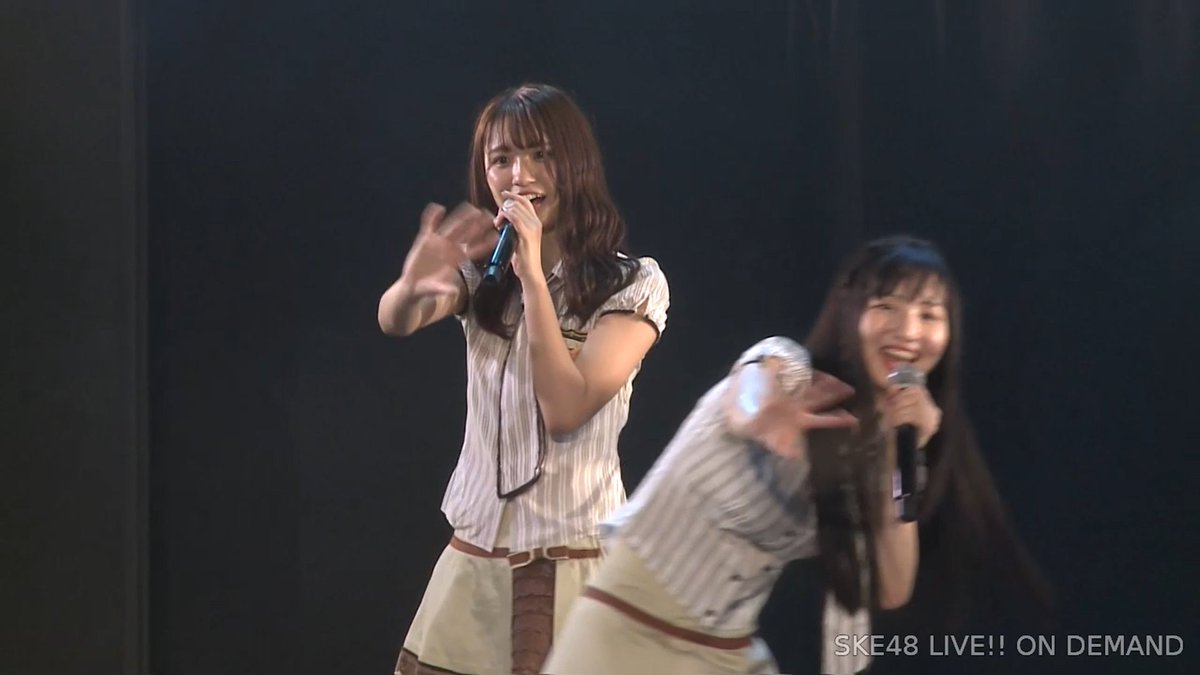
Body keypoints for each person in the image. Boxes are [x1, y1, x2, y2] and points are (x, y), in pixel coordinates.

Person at [542, 236, 1052, 675]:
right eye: (887, 307)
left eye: (929, 314)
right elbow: (747, 397)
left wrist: (906, 455)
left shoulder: (882, 454)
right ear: (851, 312)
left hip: (724, 654)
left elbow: (892, 587)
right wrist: (769, 416)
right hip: (624, 632)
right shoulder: (788, 367)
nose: (909, 331)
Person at [378, 83, 670, 675]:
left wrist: (534, 277)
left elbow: (566, 409)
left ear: (576, 163)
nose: (521, 175)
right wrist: (409, 286)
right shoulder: (484, 278)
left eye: (541, 155)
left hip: (574, 563)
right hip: (474, 559)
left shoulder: (633, 284)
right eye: (502, 159)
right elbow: (396, 320)